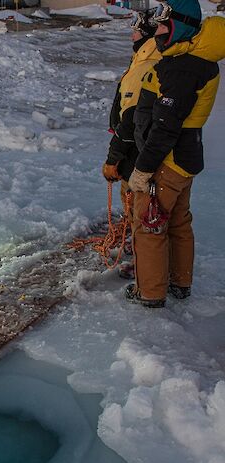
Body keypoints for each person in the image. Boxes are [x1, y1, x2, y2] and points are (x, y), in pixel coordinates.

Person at [125, 0, 225, 307]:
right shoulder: (194, 59)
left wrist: (143, 169)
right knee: (179, 221)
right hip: (185, 158)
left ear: (180, 25)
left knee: (149, 225)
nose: (157, 29)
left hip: (167, 161)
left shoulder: (184, 68)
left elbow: (165, 128)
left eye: (163, 23)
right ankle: (180, 282)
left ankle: (150, 292)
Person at [102, 10, 161, 279]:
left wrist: (114, 158)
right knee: (137, 208)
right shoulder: (144, 59)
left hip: (136, 152)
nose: (131, 34)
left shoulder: (146, 65)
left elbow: (132, 120)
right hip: (139, 147)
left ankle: (145, 266)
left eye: (136, 29)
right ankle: (142, 255)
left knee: (140, 209)